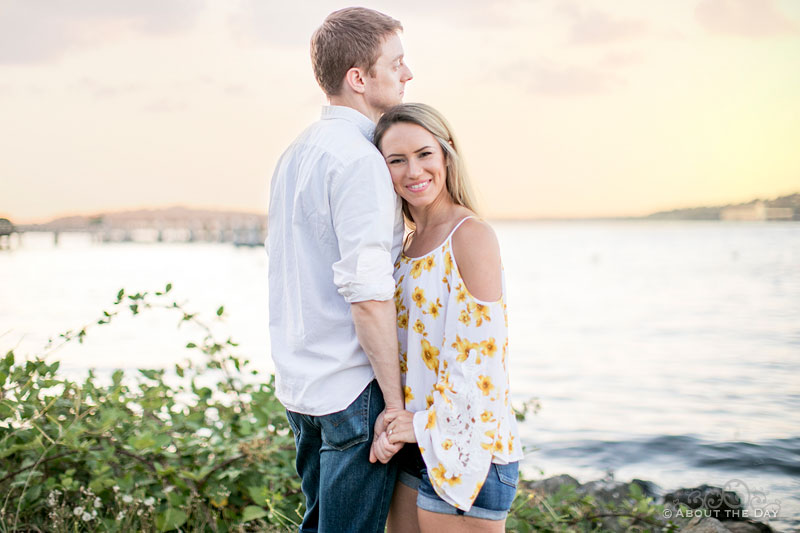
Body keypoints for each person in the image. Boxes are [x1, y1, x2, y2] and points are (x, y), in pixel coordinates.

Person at [266, 7, 413, 532]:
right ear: (357, 78)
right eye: (396, 63)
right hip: (353, 389)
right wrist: (394, 407)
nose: (407, 74)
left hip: (302, 385)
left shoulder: (296, 153)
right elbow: (367, 292)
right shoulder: (360, 160)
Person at [370, 104, 524, 532]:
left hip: (469, 450)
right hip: (414, 445)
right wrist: (394, 424)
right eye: (395, 160)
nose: (412, 170)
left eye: (424, 154)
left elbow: (479, 362)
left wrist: (415, 425)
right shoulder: (402, 247)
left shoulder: (470, 236)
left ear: (446, 155)